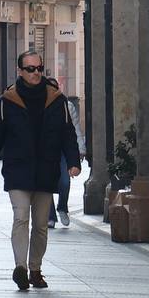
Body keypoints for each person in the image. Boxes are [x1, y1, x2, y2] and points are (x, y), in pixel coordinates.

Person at [0, 51, 82, 292]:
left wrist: (74, 161)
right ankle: (20, 268)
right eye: (30, 69)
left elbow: (68, 133)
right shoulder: (7, 101)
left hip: (46, 169)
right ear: (20, 71)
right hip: (17, 170)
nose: (36, 73)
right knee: (21, 216)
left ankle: (35, 269)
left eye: (39, 68)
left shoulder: (57, 100)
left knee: (41, 224)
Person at [48, 88, 87, 229]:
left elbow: (75, 129)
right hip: (46, 151)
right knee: (46, 183)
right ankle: (50, 216)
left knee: (64, 181)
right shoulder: (40, 105)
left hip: (63, 151)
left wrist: (80, 150)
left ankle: (62, 207)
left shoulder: (67, 106)